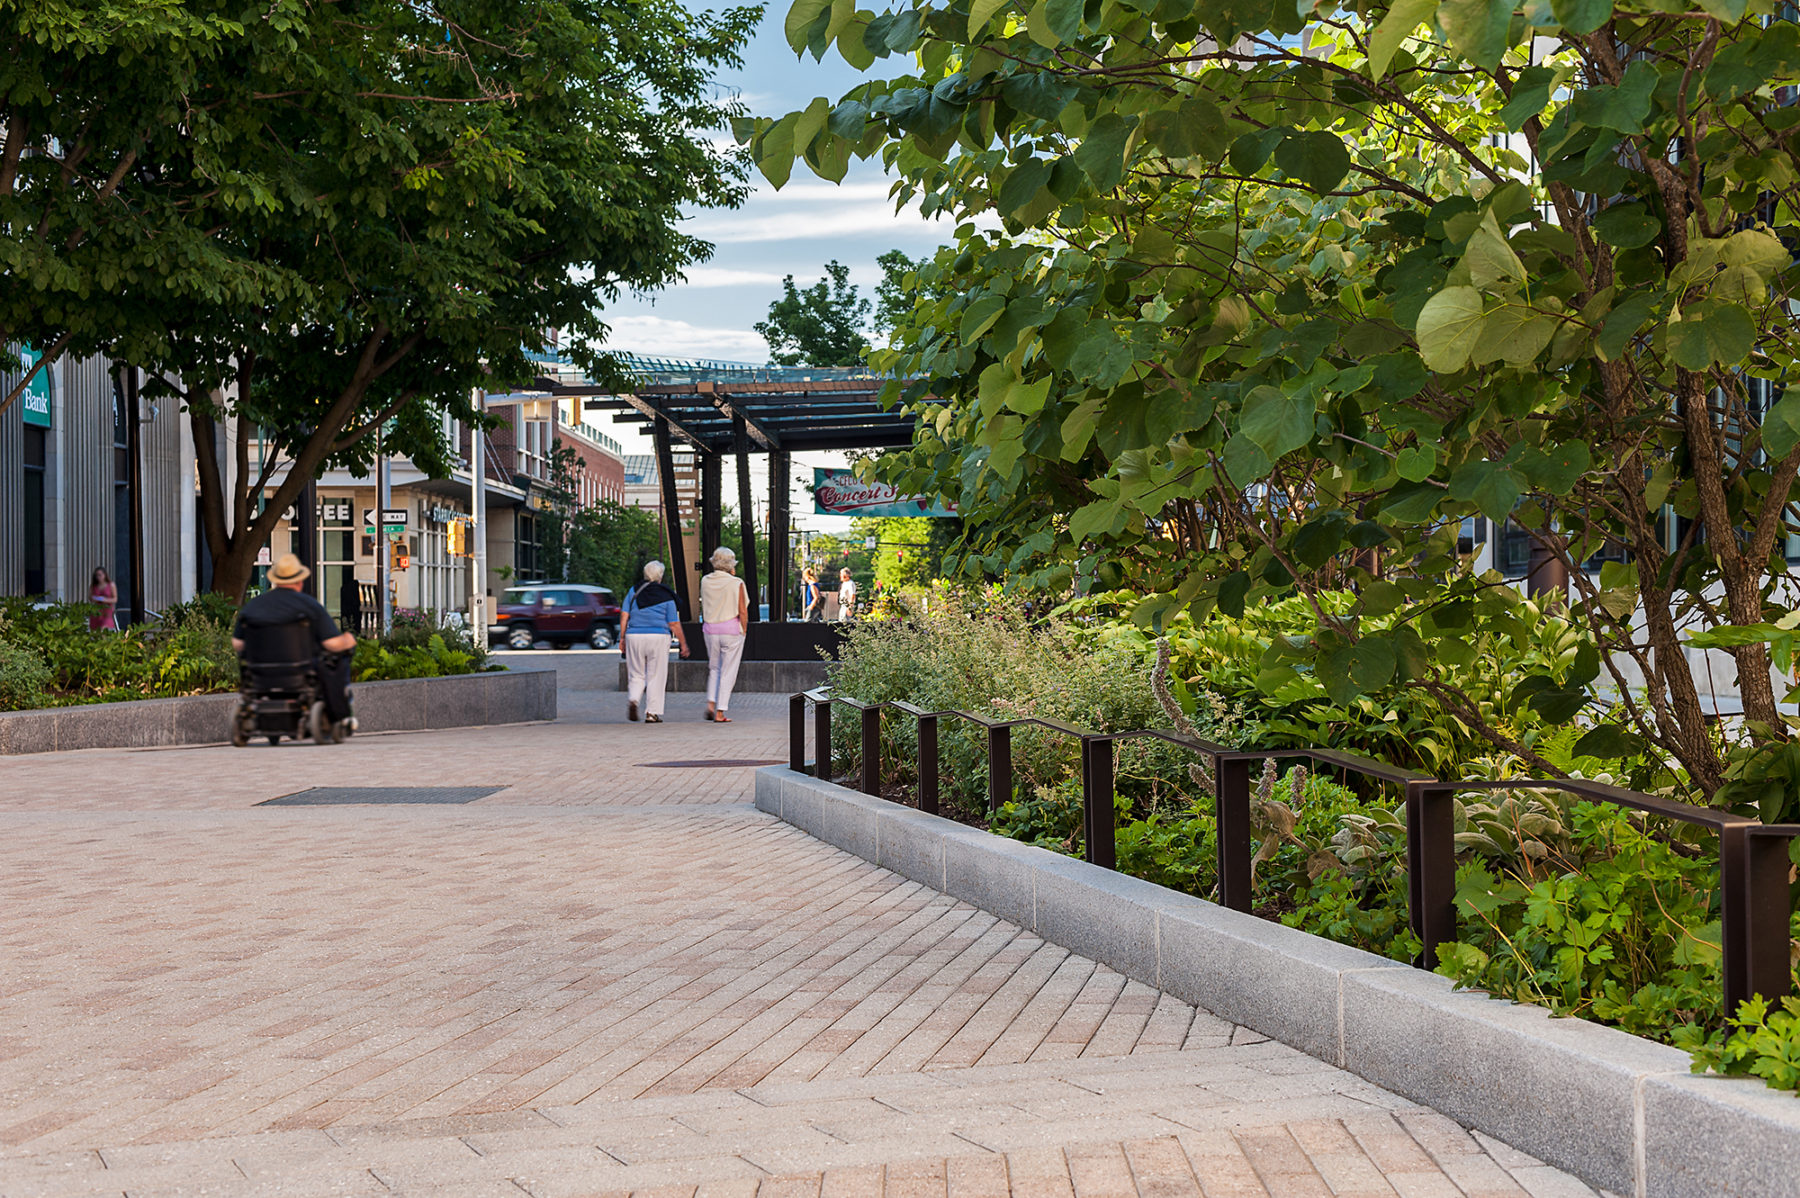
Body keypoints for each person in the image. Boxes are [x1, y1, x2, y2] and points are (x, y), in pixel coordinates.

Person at [231, 553, 357, 721]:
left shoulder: (252, 607)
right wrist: (348, 639)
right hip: (300, 673)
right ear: (299, 582)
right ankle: (340, 711)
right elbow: (332, 644)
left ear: (275, 581)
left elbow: (237, 643)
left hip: (260, 674)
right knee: (338, 660)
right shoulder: (309, 606)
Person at [620, 560, 687, 723]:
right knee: (656, 675)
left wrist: (622, 637)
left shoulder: (633, 591)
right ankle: (652, 713)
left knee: (636, 674)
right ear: (660, 577)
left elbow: (624, 615)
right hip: (658, 637)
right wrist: (683, 643)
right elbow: (673, 623)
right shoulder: (666, 595)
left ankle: (634, 699)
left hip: (634, 636)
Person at [700, 546, 750, 723]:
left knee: (714, 668)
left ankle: (710, 703)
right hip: (731, 630)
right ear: (731, 564)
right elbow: (742, 611)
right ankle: (720, 712)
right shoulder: (736, 583)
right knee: (728, 671)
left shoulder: (705, 581)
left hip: (710, 629)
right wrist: (743, 630)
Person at [88, 567, 118, 631]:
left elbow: (115, 599)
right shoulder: (93, 586)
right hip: (97, 611)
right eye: (97, 575)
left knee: (104, 628)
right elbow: (90, 597)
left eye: (100, 575)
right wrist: (94, 598)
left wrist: (105, 600)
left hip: (107, 611)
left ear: (105, 575)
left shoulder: (111, 585)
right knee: (95, 630)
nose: (98, 577)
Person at [339, 572, 363, 637]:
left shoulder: (344, 588)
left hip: (348, 608)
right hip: (353, 607)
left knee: (348, 622)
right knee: (355, 622)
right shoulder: (354, 587)